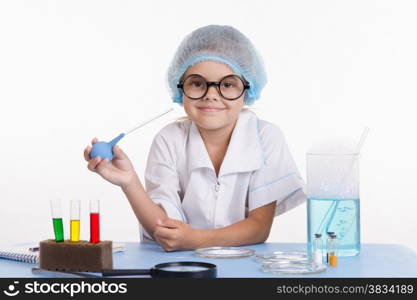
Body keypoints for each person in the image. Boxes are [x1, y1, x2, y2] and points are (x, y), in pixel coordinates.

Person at [83, 25, 306, 251]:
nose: (211, 95)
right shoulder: (169, 139)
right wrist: (129, 182)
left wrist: (197, 240)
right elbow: (162, 227)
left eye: (227, 85)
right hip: (179, 267)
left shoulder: (265, 137)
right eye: (198, 83)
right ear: (181, 88)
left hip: (245, 264)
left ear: (247, 90)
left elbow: (259, 227)